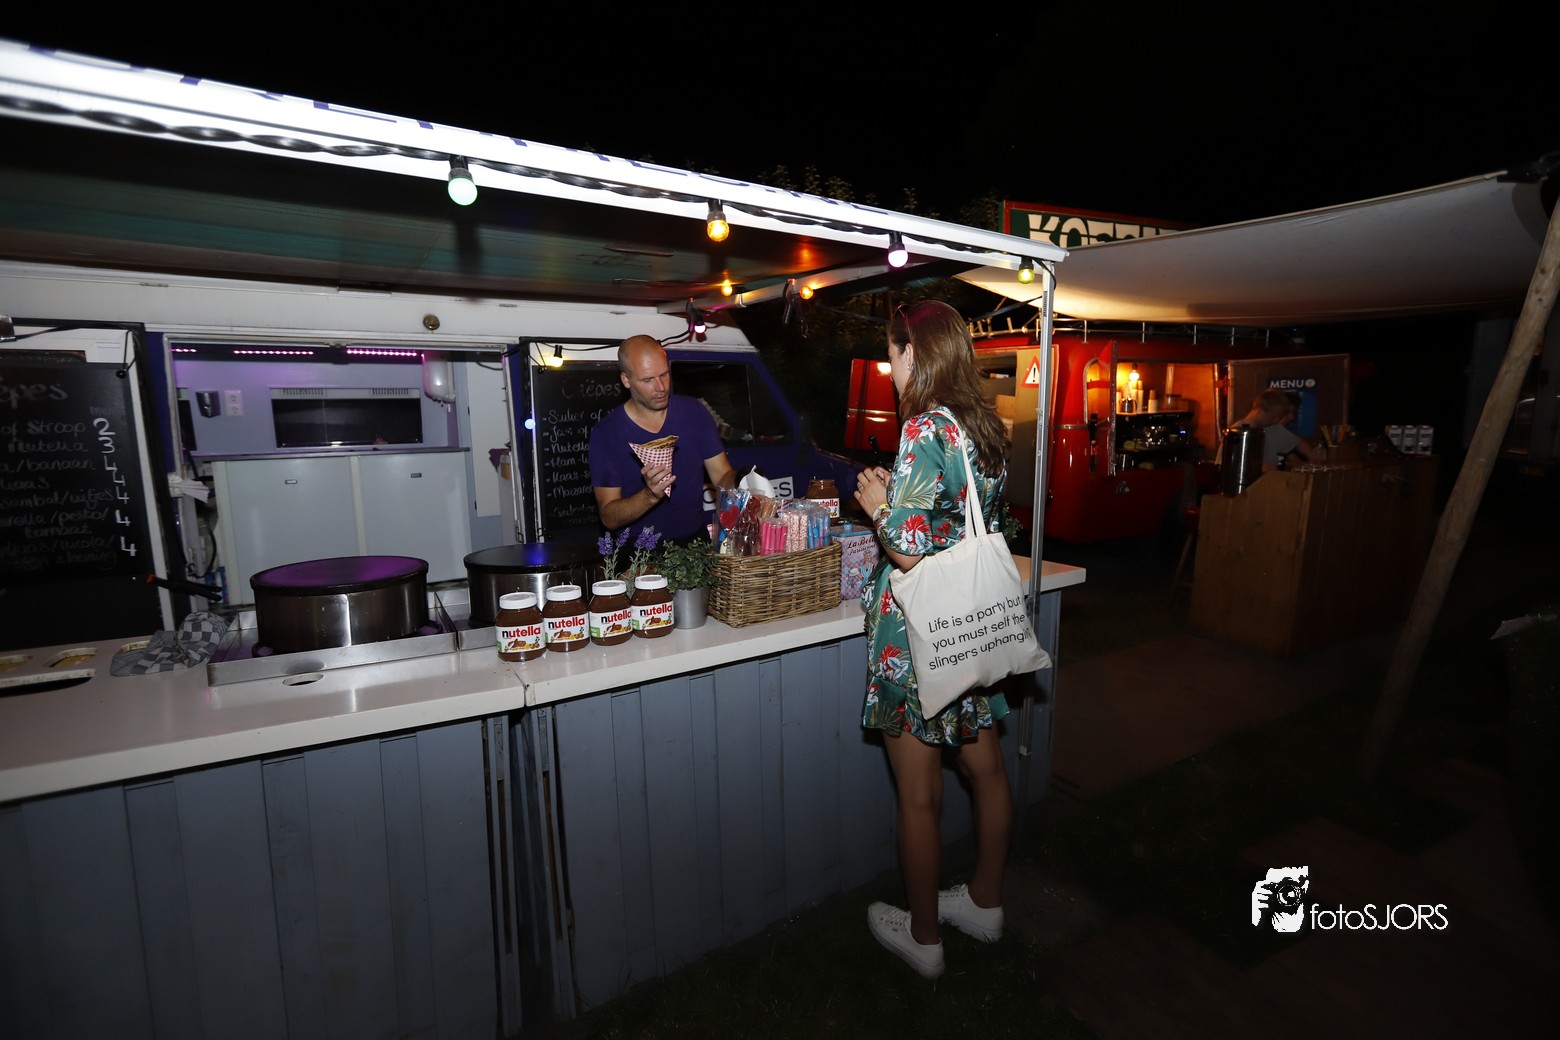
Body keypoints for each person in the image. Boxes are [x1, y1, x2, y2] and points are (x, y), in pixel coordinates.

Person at [852, 300, 1012, 979]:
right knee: (988, 773)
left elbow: (909, 552)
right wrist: (905, 501)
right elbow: (958, 518)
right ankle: (984, 902)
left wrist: (876, 505)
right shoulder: (985, 426)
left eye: (891, 353)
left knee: (918, 797)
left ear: (913, 352)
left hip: (918, 637)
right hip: (970, 623)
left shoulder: (923, 427)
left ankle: (924, 938)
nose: (889, 366)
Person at [590, 335, 736, 545]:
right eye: (648, 380)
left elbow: (721, 475)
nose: (660, 387)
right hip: (638, 550)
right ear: (626, 380)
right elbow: (609, 517)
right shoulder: (606, 433)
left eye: (664, 375)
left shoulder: (694, 412)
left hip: (695, 543)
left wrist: (742, 482)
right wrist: (650, 494)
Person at [1231, 389, 1313, 470]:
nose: (1276, 421)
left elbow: (1299, 443)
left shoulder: (1272, 427)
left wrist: (1314, 460)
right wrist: (1261, 467)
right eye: (1274, 417)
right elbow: (1231, 465)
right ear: (1260, 410)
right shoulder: (1236, 432)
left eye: (1279, 418)